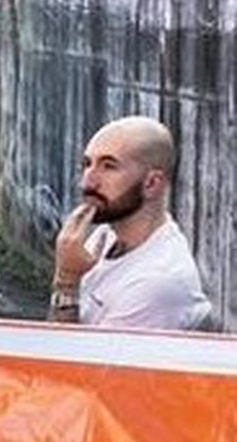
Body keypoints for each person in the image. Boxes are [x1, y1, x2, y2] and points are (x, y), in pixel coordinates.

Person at [49, 116, 212, 331]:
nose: (87, 181)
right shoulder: (106, 234)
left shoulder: (155, 282)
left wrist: (67, 281)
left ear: (152, 184)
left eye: (109, 166)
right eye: (87, 164)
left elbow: (73, 363)